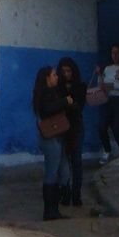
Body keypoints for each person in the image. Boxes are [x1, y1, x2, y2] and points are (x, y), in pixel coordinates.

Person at [32, 64, 70, 221]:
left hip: (57, 136)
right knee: (52, 172)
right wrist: (64, 102)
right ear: (47, 78)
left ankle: (56, 206)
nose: (57, 77)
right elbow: (47, 110)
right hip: (50, 137)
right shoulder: (43, 94)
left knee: (64, 171)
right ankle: (50, 210)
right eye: (54, 75)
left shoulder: (53, 92)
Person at [56, 56, 86, 206]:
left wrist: (67, 103)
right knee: (63, 162)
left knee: (76, 161)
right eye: (63, 71)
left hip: (76, 127)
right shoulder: (58, 88)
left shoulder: (80, 87)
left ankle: (76, 194)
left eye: (68, 71)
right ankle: (65, 192)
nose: (66, 74)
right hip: (62, 127)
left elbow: (79, 106)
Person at [96, 44, 119, 159]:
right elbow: (101, 85)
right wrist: (99, 75)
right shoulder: (107, 68)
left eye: (117, 53)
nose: (114, 55)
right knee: (102, 127)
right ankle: (107, 150)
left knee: (117, 129)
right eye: (112, 53)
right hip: (109, 100)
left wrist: (111, 86)